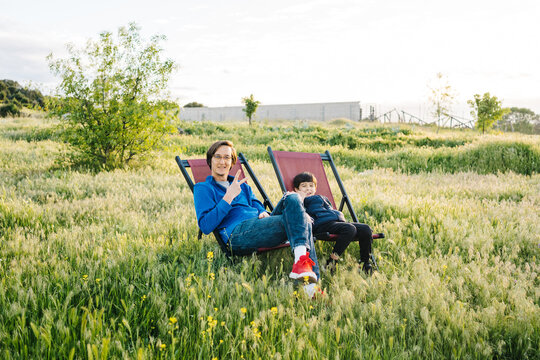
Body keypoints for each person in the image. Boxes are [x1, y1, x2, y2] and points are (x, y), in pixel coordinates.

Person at [193, 140, 321, 294]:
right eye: (217, 157)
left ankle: (301, 263)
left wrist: (263, 211)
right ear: (210, 160)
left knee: (292, 197)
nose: (222, 161)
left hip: (260, 223)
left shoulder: (243, 186)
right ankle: (311, 289)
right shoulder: (203, 188)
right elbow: (206, 226)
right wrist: (228, 197)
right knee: (302, 220)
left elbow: (256, 204)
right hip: (238, 233)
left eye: (227, 157)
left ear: (232, 161)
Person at [292, 172, 374, 274]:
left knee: (366, 229)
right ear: (296, 189)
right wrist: (301, 198)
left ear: (315, 188)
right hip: (321, 225)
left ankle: (365, 263)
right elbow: (297, 213)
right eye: (304, 186)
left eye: (311, 186)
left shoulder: (322, 197)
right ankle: (331, 262)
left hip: (336, 222)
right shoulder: (297, 200)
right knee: (350, 229)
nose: (308, 189)